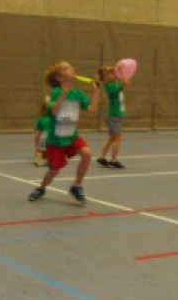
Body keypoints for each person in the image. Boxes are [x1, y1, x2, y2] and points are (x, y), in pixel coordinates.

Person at [28, 61, 100, 205]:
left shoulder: (78, 94)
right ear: (60, 78)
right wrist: (63, 95)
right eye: (67, 68)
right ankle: (41, 188)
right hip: (56, 139)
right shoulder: (55, 92)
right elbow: (54, 110)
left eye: (71, 67)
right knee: (54, 170)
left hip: (72, 136)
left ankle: (77, 186)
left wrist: (96, 92)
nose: (72, 69)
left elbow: (92, 109)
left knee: (86, 153)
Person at [96, 65, 130, 169]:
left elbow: (125, 82)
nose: (112, 74)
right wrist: (123, 72)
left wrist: (120, 72)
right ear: (104, 78)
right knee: (117, 138)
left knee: (112, 138)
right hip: (114, 116)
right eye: (109, 74)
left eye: (112, 73)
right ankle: (114, 159)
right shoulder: (110, 87)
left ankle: (101, 157)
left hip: (116, 115)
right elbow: (126, 83)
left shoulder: (114, 83)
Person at [33, 97, 51, 167]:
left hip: (46, 144)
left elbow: (37, 137)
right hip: (53, 144)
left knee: (44, 136)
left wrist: (37, 149)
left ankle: (40, 156)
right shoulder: (57, 119)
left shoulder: (41, 119)